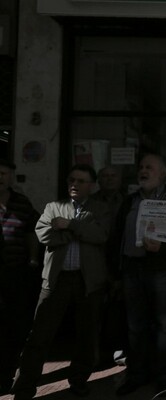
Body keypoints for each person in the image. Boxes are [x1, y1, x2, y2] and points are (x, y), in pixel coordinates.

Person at [11, 164, 110, 399]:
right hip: (56, 280)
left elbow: (101, 235)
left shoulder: (101, 209)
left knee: (86, 334)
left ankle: (78, 380)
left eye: (81, 181)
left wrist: (70, 225)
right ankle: (24, 387)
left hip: (88, 281)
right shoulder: (53, 207)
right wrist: (76, 231)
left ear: (92, 185)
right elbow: (43, 234)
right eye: (72, 180)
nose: (74, 184)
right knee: (39, 335)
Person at [113, 153, 166, 397]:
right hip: (132, 271)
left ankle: (164, 377)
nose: (143, 171)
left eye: (149, 167)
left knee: (164, 325)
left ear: (162, 175)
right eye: (141, 167)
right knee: (135, 326)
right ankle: (136, 375)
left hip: (162, 271)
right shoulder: (130, 201)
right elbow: (117, 237)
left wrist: (163, 248)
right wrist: (116, 272)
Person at [0, 159, 40, 395]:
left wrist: (33, 259)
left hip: (14, 274)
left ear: (12, 177)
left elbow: (32, 231)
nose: (0, 177)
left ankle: (5, 376)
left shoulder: (22, 203)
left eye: (4, 173)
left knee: (12, 328)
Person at [91, 165, 128, 366]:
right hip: (96, 259)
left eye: (113, 175)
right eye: (104, 176)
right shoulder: (92, 201)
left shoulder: (128, 201)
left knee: (120, 310)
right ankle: (96, 355)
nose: (109, 179)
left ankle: (119, 349)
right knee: (96, 312)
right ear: (98, 180)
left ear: (120, 179)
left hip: (120, 260)